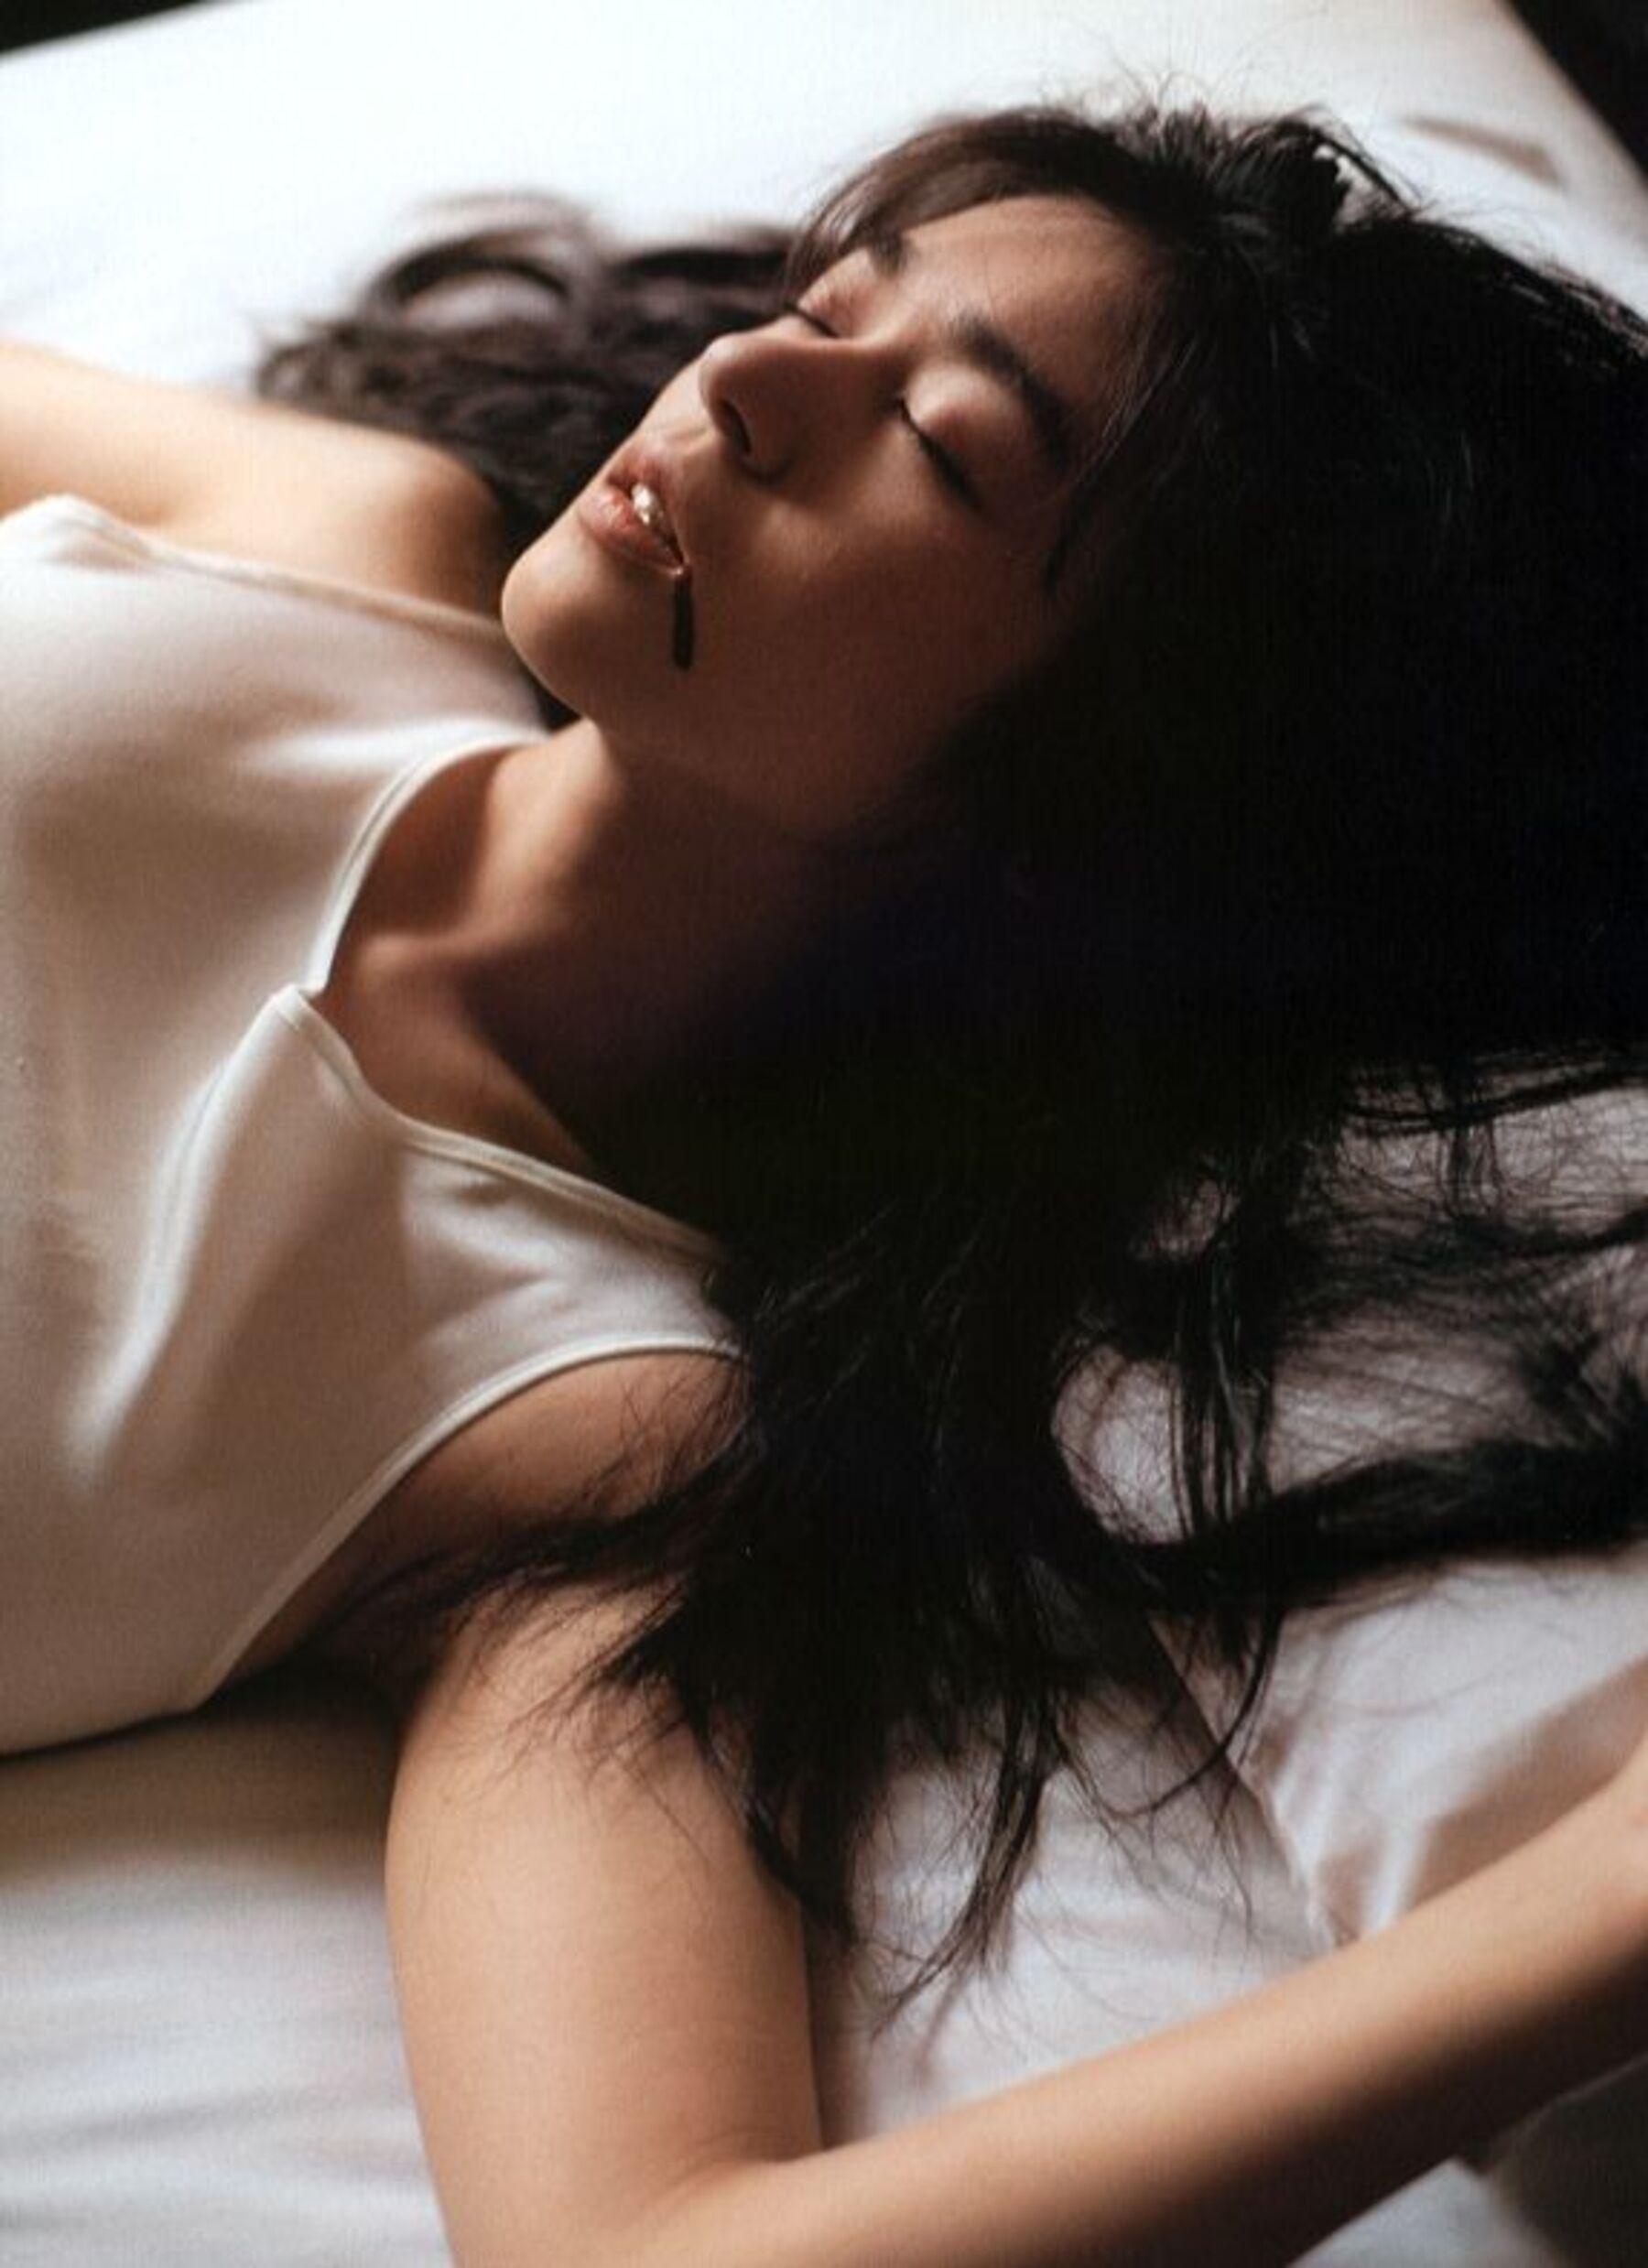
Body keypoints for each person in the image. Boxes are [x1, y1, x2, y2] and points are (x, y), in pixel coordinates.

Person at [3, 98, 1645, 2263]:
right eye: (828, 306)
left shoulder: (578, 1446)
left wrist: (1588, 1924)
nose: (748, 381)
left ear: (1100, 797)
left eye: (943, 448)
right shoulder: (318, 535)